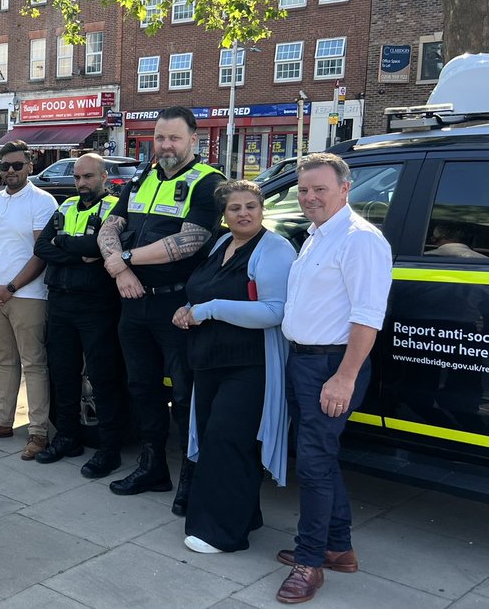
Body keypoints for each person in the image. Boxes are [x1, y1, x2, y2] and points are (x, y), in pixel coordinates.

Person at [273, 153, 392, 605]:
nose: (309, 198)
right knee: (318, 457)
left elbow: (367, 318)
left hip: (331, 367)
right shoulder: (317, 235)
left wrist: (344, 378)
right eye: (303, 190)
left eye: (319, 189)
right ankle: (338, 548)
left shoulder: (360, 240)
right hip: (305, 362)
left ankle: (310, 563)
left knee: (314, 464)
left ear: (345, 188)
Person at [97, 105, 224, 514]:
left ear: (193, 140)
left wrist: (126, 259)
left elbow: (190, 241)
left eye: (174, 138)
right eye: (160, 137)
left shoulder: (209, 183)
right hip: (133, 301)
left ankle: (193, 477)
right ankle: (152, 468)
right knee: (142, 387)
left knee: (186, 394)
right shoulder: (143, 177)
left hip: (177, 304)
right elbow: (109, 227)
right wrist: (120, 273)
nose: (165, 145)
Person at [171, 179, 296, 555]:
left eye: (250, 207)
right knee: (215, 439)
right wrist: (186, 310)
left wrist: (207, 311)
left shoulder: (275, 249)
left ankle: (221, 533)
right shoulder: (222, 243)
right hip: (209, 361)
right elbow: (199, 292)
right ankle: (244, 515)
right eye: (234, 208)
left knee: (229, 441)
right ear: (224, 215)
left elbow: (275, 311)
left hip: (250, 364)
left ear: (262, 209)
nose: (243, 213)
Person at [33, 153, 128, 473]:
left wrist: (65, 246)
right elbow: (42, 247)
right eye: (77, 177)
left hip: (96, 305)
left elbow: (100, 249)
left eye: (88, 177)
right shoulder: (65, 206)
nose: (81, 183)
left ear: (104, 178)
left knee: (103, 378)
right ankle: (67, 438)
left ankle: (109, 448)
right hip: (60, 303)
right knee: (62, 375)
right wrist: (75, 251)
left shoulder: (113, 208)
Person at [0, 141, 58, 460]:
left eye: (17, 166)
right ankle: (2, 421)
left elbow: (41, 253)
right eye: (4, 166)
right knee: (3, 359)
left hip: (29, 295)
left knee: (33, 363)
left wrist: (11, 286)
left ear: (29, 167)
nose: (10, 172)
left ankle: (38, 432)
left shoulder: (42, 201)